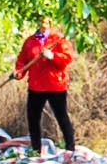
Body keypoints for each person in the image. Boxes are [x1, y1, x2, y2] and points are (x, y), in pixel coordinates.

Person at [11, 22, 79, 156]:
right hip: (36, 85)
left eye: (46, 20)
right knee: (33, 119)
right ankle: (36, 150)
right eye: (40, 20)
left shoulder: (58, 39)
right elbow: (22, 61)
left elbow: (67, 59)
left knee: (62, 117)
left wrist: (53, 56)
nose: (43, 23)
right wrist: (18, 73)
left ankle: (70, 149)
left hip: (55, 85)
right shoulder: (30, 41)